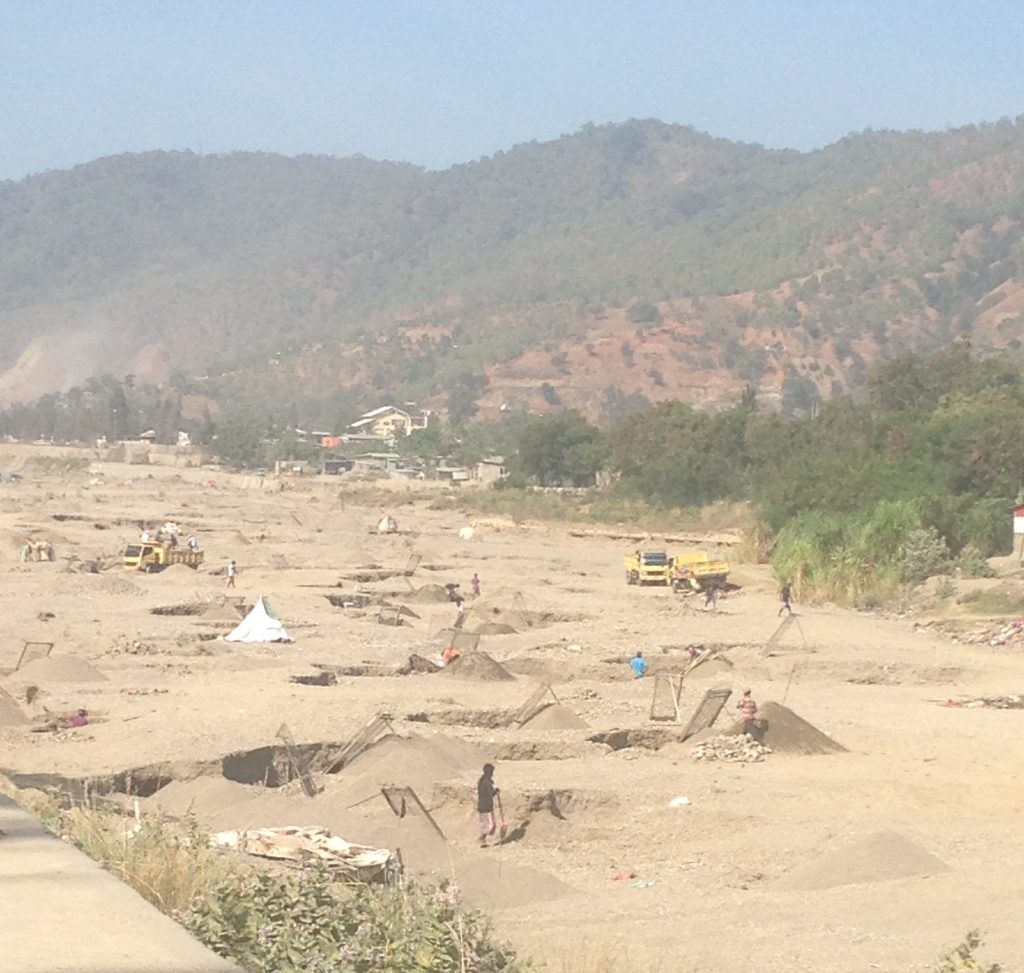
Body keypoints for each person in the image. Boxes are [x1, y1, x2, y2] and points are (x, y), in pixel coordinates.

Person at [477, 763, 499, 847]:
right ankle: (482, 838)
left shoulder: (481, 781)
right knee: (490, 825)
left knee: (485, 824)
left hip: (481, 805)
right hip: (486, 806)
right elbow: (490, 793)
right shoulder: (486, 782)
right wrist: (496, 791)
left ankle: (483, 840)